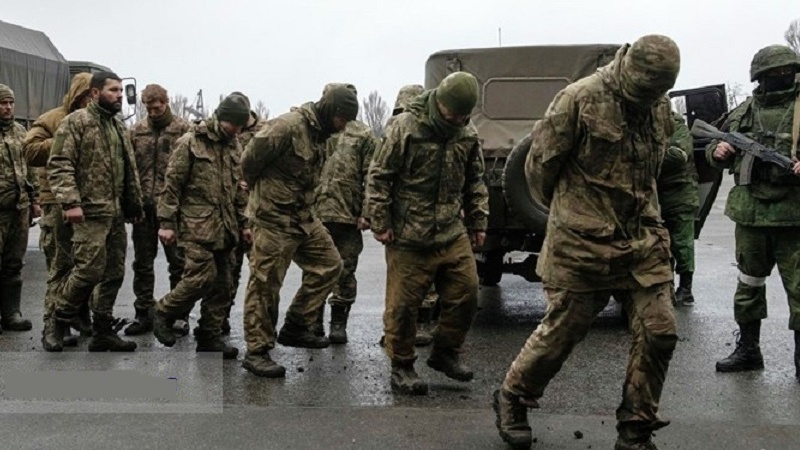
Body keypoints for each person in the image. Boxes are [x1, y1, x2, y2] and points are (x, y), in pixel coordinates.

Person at [492, 35, 681, 450]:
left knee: (660, 331)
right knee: (563, 332)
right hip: (582, 241)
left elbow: (657, 162)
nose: (649, 98)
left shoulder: (658, 106)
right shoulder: (578, 99)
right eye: (644, 89)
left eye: (657, 92)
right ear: (628, 67)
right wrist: (578, 211)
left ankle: (635, 428)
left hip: (641, 237)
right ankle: (512, 397)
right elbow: (539, 168)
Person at [366, 72, 489, 395]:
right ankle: (402, 365)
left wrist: (478, 222)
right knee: (404, 306)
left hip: (450, 229)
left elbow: (475, 179)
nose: (457, 120)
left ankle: (445, 353)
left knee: (467, 292)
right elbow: (380, 177)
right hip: (408, 234)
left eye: (463, 116)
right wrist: (380, 222)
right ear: (439, 104)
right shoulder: (405, 127)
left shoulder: (466, 132)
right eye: (452, 115)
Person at [240, 85, 358, 378]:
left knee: (330, 266)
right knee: (265, 283)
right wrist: (262, 195)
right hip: (272, 218)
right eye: (342, 119)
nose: (343, 126)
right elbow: (249, 161)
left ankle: (295, 325)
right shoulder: (286, 127)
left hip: (303, 217)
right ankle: (257, 351)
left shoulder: (323, 135)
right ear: (331, 111)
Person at [709, 45, 800, 382]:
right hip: (750, 214)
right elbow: (710, 152)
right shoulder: (743, 112)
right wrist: (717, 153)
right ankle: (749, 349)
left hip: (794, 217)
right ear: (759, 77)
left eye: (786, 72)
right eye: (773, 74)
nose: (781, 78)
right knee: (748, 284)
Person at [46, 71, 144, 352]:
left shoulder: (117, 127)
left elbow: (127, 169)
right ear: (94, 93)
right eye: (113, 90)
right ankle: (57, 321)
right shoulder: (76, 123)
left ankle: (103, 330)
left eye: (120, 91)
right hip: (89, 213)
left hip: (113, 214)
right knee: (88, 272)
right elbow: (59, 163)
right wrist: (70, 202)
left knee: (114, 273)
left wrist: (132, 205)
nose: (118, 96)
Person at [151, 93, 251, 360]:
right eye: (236, 125)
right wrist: (166, 223)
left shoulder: (234, 146)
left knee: (223, 286)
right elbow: (171, 186)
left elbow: (239, 191)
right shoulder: (190, 143)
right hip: (196, 226)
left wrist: (244, 224)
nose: (239, 131)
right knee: (199, 278)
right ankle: (162, 310)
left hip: (226, 226)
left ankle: (209, 336)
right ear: (223, 119)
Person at [24, 72, 93, 349]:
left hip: (86, 203)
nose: (90, 100)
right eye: (87, 95)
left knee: (85, 266)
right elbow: (30, 151)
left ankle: (78, 315)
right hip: (56, 203)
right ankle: (53, 325)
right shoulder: (53, 119)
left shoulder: (97, 121)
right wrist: (63, 139)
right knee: (60, 266)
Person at [312, 82, 378, 344]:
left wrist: (367, 212)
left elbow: (371, 176)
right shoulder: (316, 130)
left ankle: (338, 321)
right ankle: (312, 320)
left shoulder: (363, 135)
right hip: (315, 212)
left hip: (347, 215)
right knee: (315, 269)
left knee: (345, 269)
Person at [124, 84, 191, 336]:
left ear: (166, 102)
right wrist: (131, 202)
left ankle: (178, 314)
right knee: (142, 263)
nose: (153, 112)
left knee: (178, 263)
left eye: (158, 106)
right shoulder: (137, 131)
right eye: (149, 108)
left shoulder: (184, 130)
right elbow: (129, 170)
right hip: (144, 208)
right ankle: (143, 313)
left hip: (173, 210)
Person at [385, 84, 437, 347]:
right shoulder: (398, 128)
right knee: (413, 275)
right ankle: (408, 327)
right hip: (408, 215)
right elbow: (380, 175)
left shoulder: (423, 128)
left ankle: (405, 328)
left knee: (406, 276)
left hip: (414, 214)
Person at [224, 94, 268, 335]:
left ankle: (260, 326)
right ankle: (221, 318)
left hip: (257, 212)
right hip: (230, 212)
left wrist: (252, 181)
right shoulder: (225, 130)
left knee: (261, 273)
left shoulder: (266, 131)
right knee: (228, 271)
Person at [0, 84, 36, 334]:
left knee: (14, 263)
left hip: (18, 208)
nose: (8, 108)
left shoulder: (20, 132)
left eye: (11, 103)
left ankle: (11, 313)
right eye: (3, 103)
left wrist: (35, 201)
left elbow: (31, 167)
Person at [658, 111, 699, 306]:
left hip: (680, 194)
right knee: (660, 245)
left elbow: (677, 156)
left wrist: (649, 153)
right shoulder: (648, 125)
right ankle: (666, 286)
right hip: (657, 196)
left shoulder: (678, 127)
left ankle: (686, 288)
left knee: (682, 244)